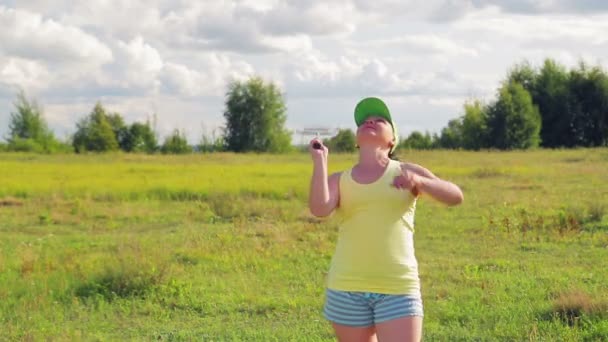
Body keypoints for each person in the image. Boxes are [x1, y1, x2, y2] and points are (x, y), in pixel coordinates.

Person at [308, 97, 464, 342]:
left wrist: (420, 183)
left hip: (398, 286)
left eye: (379, 119)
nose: (370, 121)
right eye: (364, 121)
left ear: (392, 140)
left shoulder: (407, 171)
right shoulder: (339, 179)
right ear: (357, 141)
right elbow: (319, 208)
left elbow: (455, 196)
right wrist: (320, 161)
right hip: (347, 286)